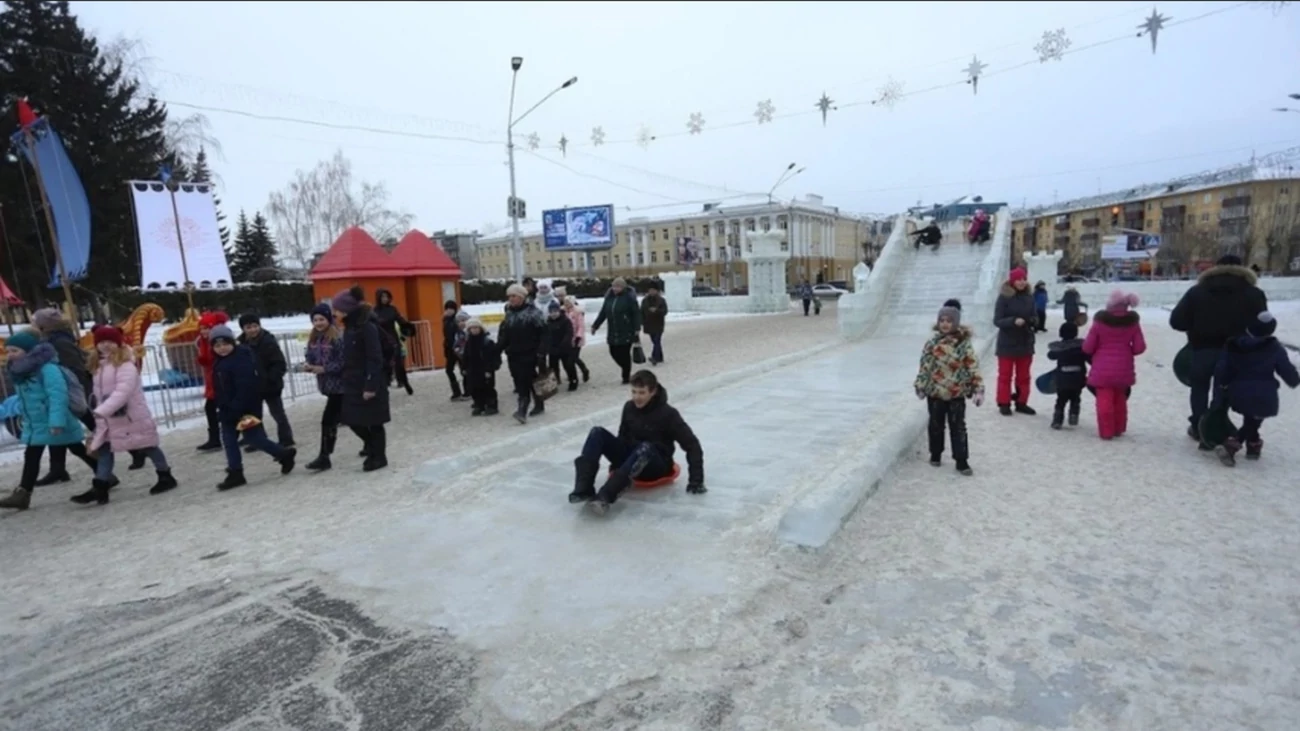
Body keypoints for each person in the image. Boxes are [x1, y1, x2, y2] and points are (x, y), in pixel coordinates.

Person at [568, 368, 705, 515]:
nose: (636, 397)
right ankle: (584, 488)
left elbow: (692, 445)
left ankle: (605, 496)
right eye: (634, 392)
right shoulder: (629, 407)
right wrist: (618, 464)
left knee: (645, 447)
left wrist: (696, 481)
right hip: (632, 457)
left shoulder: (668, 414)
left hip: (656, 465)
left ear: (653, 392)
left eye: (641, 393)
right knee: (597, 433)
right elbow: (622, 436)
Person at [1169, 254, 1268, 444]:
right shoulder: (1254, 293)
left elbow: (1177, 321)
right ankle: (1217, 426)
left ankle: (1199, 426)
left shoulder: (1197, 292)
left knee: (1199, 388)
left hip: (1202, 350)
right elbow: (1263, 326)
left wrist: (1195, 327)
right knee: (1224, 391)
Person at [0, 330, 96, 511]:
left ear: (28, 351)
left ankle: (103, 473)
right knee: (35, 453)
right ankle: (23, 493)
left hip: (53, 419)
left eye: (15, 351)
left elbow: (58, 396)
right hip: (36, 421)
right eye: (9, 351)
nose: (10, 355)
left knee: (76, 448)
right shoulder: (20, 371)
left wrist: (56, 421)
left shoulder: (47, 369)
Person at [86, 325, 177, 498]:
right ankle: (100, 486)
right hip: (108, 419)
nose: (105, 345)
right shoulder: (99, 365)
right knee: (104, 449)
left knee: (147, 445)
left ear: (118, 343)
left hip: (130, 416)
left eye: (110, 341)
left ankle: (165, 474)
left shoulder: (125, 365)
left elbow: (123, 391)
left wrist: (103, 409)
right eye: (102, 342)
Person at [29, 306, 112, 482]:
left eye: (34, 323)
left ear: (44, 326)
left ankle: (135, 449)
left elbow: (75, 367)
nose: (32, 326)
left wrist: (79, 389)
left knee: (90, 424)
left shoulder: (59, 342)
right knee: (62, 428)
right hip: (63, 389)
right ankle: (57, 468)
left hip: (70, 390)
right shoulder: (50, 340)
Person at [210, 324, 296, 490]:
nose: (221, 349)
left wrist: (236, 407)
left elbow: (246, 387)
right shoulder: (220, 362)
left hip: (245, 409)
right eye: (217, 346)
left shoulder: (241, 359)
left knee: (254, 438)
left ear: (232, 343)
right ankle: (236, 472)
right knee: (229, 441)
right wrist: (221, 406)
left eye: (225, 344)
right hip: (228, 410)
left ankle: (283, 454)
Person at [1210, 311, 1299, 465]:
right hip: (1264, 394)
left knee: (1251, 415)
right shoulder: (1274, 348)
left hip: (1238, 391)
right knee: (1254, 418)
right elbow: (1286, 370)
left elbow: (1223, 368)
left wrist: (1223, 385)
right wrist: (1294, 379)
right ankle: (1233, 445)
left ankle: (1254, 445)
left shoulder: (1233, 345)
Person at [913, 301, 984, 476]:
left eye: (949, 320)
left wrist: (978, 387)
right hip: (936, 392)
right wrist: (921, 384)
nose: (945, 324)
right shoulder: (932, 343)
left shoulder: (963, 344)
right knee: (936, 424)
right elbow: (925, 366)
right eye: (942, 320)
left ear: (956, 323)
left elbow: (972, 365)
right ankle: (935, 453)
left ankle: (961, 460)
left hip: (956, 392)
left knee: (958, 426)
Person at [332, 287, 392, 471]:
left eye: (337, 309)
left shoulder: (367, 327)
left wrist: (371, 385)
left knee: (375, 422)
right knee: (351, 419)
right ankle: (372, 449)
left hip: (368, 382)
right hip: (353, 381)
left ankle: (379, 456)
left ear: (347, 309)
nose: (334, 313)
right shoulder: (350, 327)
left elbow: (374, 358)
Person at [1082, 291, 1147, 440]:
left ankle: (1106, 431)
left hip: (1102, 367)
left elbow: (1087, 347)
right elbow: (1139, 348)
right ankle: (1119, 428)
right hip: (1124, 366)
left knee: (1104, 399)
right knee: (1120, 398)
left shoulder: (1099, 322)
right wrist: (1125, 350)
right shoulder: (1133, 323)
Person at [237, 313, 294, 448]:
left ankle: (286, 438)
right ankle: (257, 439)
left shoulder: (268, 342)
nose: (253, 330)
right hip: (252, 385)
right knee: (251, 415)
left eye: (255, 326)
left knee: (278, 413)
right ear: (243, 329)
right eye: (248, 327)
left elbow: (279, 363)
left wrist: (271, 378)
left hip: (270, 384)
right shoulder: (240, 344)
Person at [303, 303, 346, 471]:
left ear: (328, 319)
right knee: (352, 421)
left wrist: (325, 369)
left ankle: (324, 456)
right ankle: (371, 443)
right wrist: (309, 364)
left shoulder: (337, 337)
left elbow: (344, 361)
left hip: (341, 386)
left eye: (321, 319)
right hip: (327, 385)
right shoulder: (314, 338)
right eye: (315, 320)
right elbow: (310, 354)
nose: (319, 323)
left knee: (328, 421)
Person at [498, 283, 549, 423]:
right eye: (509, 296)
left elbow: (544, 333)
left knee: (524, 381)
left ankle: (522, 410)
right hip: (513, 353)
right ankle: (539, 403)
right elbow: (505, 335)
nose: (511, 299)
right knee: (525, 379)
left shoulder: (534, 313)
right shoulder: (509, 313)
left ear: (522, 297)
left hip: (530, 352)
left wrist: (541, 352)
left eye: (514, 296)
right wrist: (498, 349)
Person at [992, 267, 1039, 416]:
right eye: (1019, 279)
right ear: (1012, 281)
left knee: (1024, 376)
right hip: (1007, 343)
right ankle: (1004, 403)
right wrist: (1013, 321)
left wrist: (1031, 321)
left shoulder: (1029, 297)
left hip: (1025, 342)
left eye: (1024, 279)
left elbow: (1036, 317)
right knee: (1005, 376)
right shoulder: (1004, 297)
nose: (1022, 282)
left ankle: (1021, 402)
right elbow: (997, 320)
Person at [591, 277, 642, 384]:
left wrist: (637, 328)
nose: (615, 289)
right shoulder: (609, 298)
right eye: (614, 286)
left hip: (626, 329)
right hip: (613, 330)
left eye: (618, 286)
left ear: (623, 287)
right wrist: (595, 326)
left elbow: (636, 313)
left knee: (624, 353)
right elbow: (603, 313)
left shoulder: (629, 298)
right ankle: (625, 368)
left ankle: (626, 375)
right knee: (613, 352)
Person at [195, 311, 230, 452]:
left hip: (222, 382)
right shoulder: (203, 343)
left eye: (207, 328)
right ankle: (215, 438)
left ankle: (219, 437)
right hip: (212, 382)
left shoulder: (219, 343)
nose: (203, 331)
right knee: (211, 409)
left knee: (221, 409)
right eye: (202, 328)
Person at [1046, 321, 1088, 430]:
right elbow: (1090, 358)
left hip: (1062, 378)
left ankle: (1057, 420)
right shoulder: (1081, 347)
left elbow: (1050, 355)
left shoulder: (1060, 348)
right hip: (1078, 378)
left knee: (1061, 400)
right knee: (1075, 398)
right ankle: (1074, 414)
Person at [374, 288, 414, 395]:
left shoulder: (392, 309)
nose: (385, 299)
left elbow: (400, 319)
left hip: (393, 340)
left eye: (386, 296)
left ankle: (405, 383)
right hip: (381, 341)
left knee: (399, 364)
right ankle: (384, 385)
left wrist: (407, 327)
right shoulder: (374, 311)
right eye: (382, 297)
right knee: (383, 365)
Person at [461, 318, 501, 416]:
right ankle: (479, 405)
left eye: (476, 327)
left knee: (488, 388)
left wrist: (490, 368)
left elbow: (494, 356)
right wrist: (464, 368)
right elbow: (465, 356)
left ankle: (492, 406)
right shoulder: (468, 342)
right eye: (472, 328)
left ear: (480, 328)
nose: (474, 330)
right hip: (473, 370)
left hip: (485, 370)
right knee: (475, 388)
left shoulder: (487, 342)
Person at [545, 300, 579, 391]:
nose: (554, 314)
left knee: (568, 365)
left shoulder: (565, 321)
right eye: (551, 312)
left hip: (565, 348)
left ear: (559, 311)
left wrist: (564, 343)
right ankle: (553, 383)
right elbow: (545, 335)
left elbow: (569, 333)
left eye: (555, 311)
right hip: (552, 349)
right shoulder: (548, 322)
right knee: (553, 367)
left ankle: (573, 380)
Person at [441, 300, 467, 401]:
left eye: (451, 309)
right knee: (449, 370)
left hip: (459, 348)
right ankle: (456, 392)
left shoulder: (458, 319)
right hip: (449, 349)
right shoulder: (445, 320)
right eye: (447, 309)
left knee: (464, 370)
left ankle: (467, 391)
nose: (449, 311)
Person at [640, 283, 669, 364]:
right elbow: (641, 312)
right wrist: (641, 321)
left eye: (653, 290)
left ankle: (654, 357)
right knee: (655, 341)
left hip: (658, 324)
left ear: (657, 291)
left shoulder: (661, 300)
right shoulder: (645, 301)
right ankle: (660, 357)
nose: (651, 292)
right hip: (648, 324)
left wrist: (656, 311)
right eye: (650, 290)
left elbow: (665, 311)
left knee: (657, 340)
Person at [564, 296, 590, 383]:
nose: (566, 304)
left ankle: (582, 372)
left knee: (573, 358)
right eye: (565, 302)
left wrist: (578, 337)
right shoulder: (563, 312)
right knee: (572, 359)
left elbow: (581, 326)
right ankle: (580, 371)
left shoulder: (578, 312)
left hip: (577, 339)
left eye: (568, 302)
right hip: (567, 339)